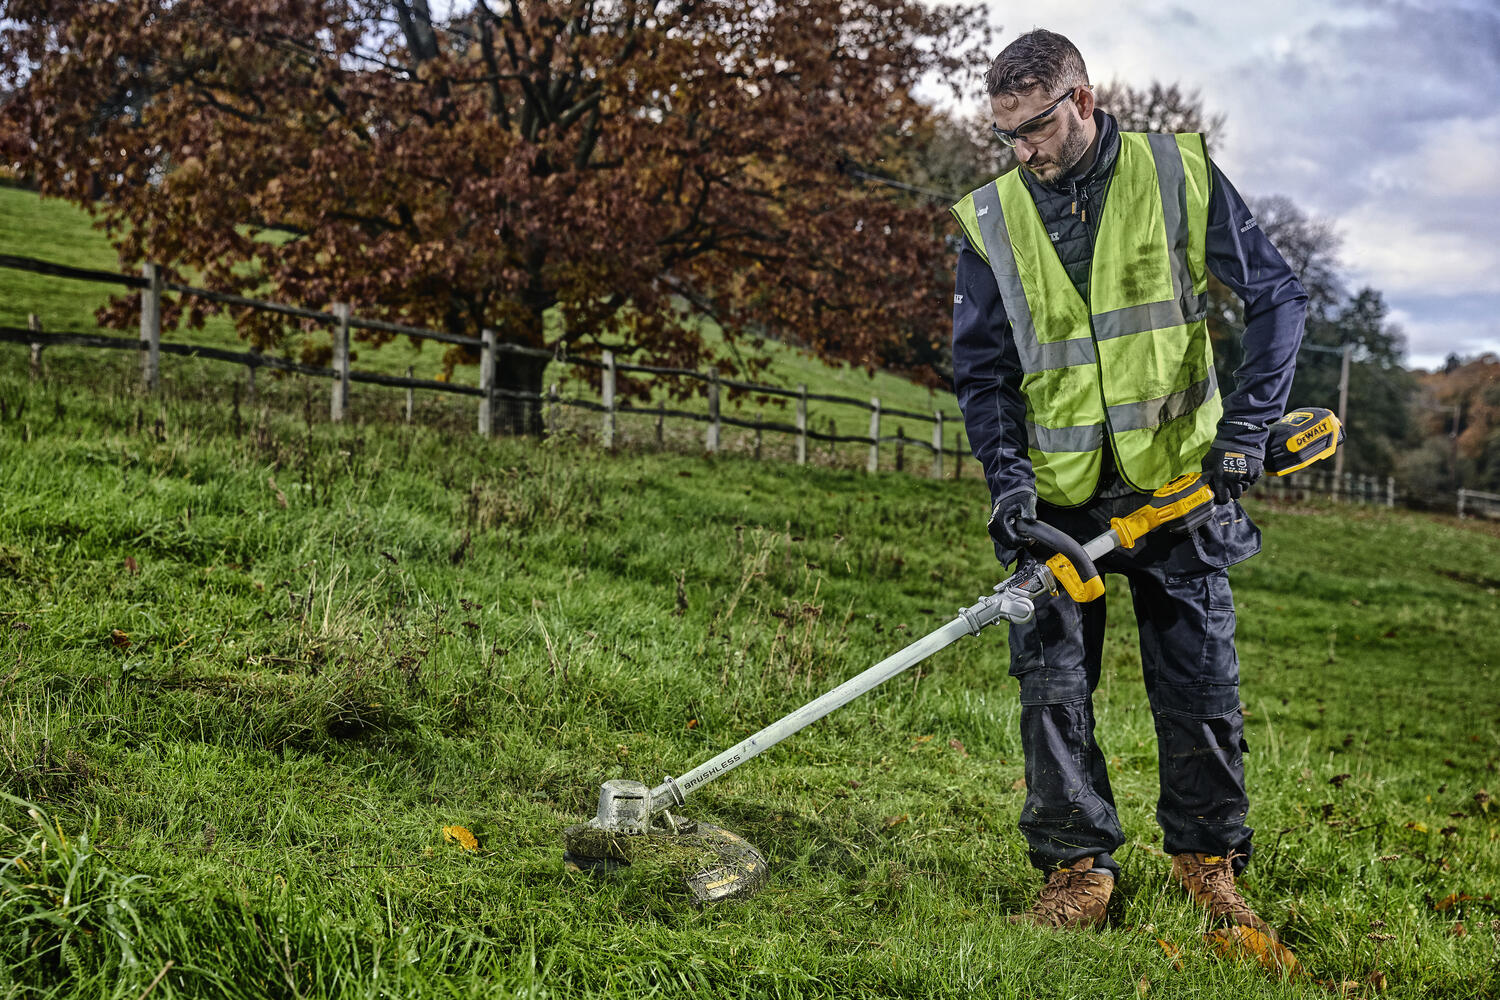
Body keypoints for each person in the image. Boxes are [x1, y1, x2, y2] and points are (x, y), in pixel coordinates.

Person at [949, 30, 1306, 932]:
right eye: (1006, 135)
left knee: (1199, 685)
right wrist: (1008, 486)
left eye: (1036, 128)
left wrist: (1246, 428)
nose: (1023, 152)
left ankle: (1208, 864)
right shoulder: (992, 219)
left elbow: (1279, 296)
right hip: (1059, 500)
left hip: (1180, 485)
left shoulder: (1176, 173)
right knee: (1051, 686)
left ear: (1082, 100)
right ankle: (1079, 873)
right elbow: (985, 376)